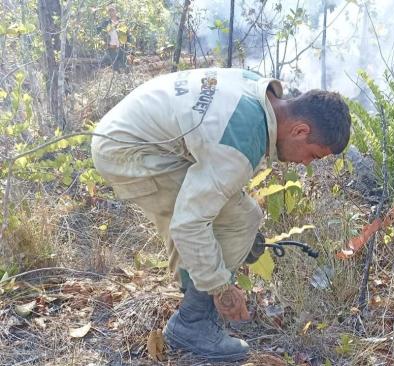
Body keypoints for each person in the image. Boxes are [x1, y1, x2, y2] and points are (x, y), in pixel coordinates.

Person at [90, 67, 351, 361]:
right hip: (126, 151)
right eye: (313, 155)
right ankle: (193, 322)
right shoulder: (239, 142)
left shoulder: (258, 91)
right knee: (236, 220)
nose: (305, 164)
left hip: (131, 132)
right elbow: (189, 224)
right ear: (300, 130)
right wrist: (220, 287)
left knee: (239, 219)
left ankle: (194, 307)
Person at [96, 4, 129, 71]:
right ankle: (117, 78)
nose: (111, 12)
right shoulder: (106, 22)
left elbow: (127, 34)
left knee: (124, 63)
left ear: (116, 11)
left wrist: (127, 44)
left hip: (121, 46)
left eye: (113, 10)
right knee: (115, 65)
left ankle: (127, 77)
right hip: (112, 46)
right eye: (110, 11)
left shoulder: (122, 22)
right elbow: (99, 30)